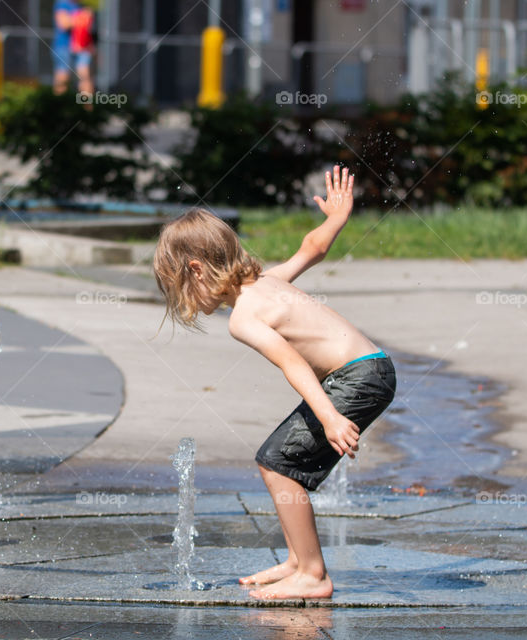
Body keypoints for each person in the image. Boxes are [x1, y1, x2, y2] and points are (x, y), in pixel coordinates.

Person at [152, 166, 396, 600]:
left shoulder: (244, 316)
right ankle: (298, 561)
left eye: (180, 290)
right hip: (370, 368)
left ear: (197, 270)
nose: (185, 302)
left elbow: (291, 361)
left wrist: (329, 417)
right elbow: (312, 249)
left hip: (358, 377)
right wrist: (336, 219)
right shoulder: (267, 282)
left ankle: (314, 574)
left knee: (278, 462)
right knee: (278, 460)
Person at [52, 0, 95, 98]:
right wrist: (81, 17)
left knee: (85, 77)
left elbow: (86, 29)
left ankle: (87, 108)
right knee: (63, 78)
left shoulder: (81, 6)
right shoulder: (62, 3)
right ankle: (59, 107)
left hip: (81, 48)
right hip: (64, 47)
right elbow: (63, 24)